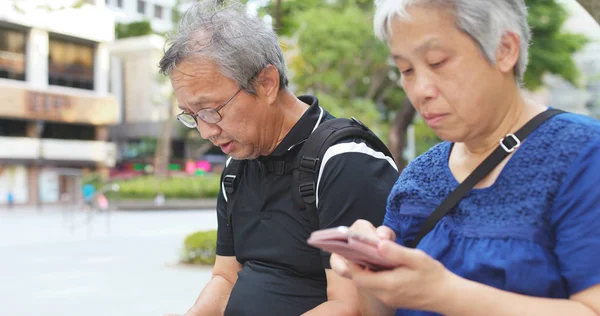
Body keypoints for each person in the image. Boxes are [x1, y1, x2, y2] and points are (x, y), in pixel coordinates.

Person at [330, 0, 600, 315]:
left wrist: (443, 293)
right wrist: (368, 272)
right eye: (406, 70)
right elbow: (382, 311)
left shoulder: (582, 154)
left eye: (437, 62)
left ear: (504, 50)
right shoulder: (419, 177)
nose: (420, 90)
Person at [158, 1, 399, 315]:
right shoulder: (236, 168)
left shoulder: (345, 161)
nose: (206, 131)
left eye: (211, 110)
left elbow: (351, 307)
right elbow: (226, 277)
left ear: (266, 83)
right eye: (192, 116)